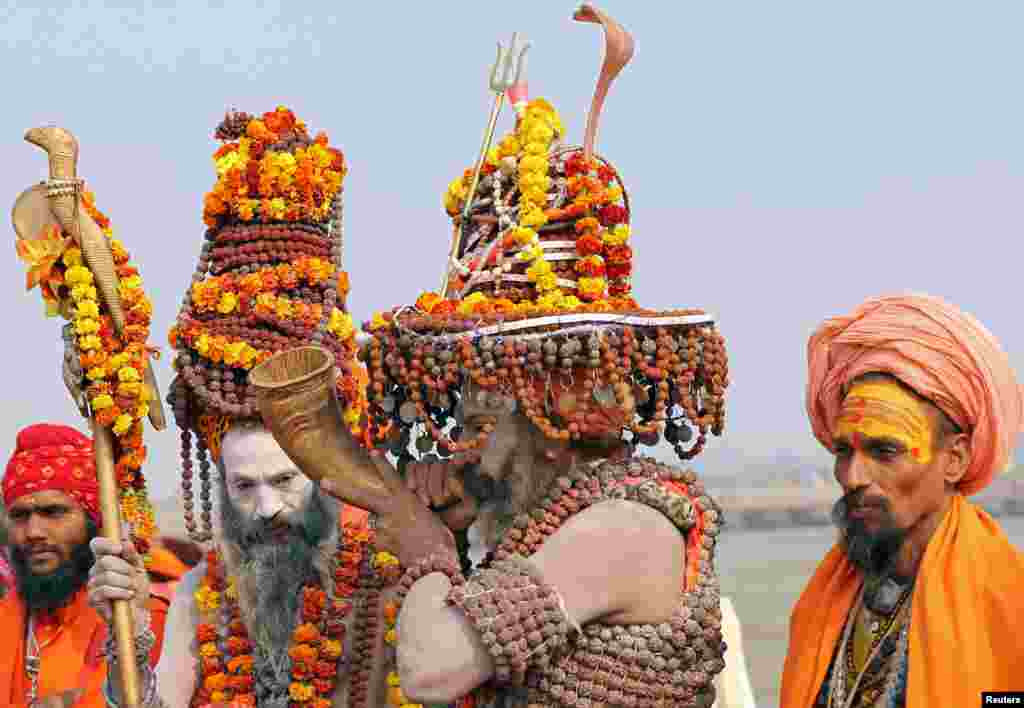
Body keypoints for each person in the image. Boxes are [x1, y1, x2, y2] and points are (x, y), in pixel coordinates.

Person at [88, 105, 367, 707]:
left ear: (325, 477)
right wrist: (131, 633)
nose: (266, 508)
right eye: (243, 486)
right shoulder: (200, 595)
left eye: (283, 480)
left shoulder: (386, 584)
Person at [780, 293, 1024, 707]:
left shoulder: (1007, 603)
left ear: (955, 459)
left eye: (884, 452)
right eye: (843, 452)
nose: (853, 477)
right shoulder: (824, 600)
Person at [0, 423, 188, 708]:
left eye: (53, 512)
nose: (33, 531)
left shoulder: (141, 622)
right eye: (20, 515)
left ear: (93, 522)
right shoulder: (6, 617)